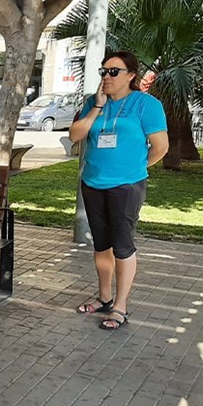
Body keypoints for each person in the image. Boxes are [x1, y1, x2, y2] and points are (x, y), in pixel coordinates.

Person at [69, 50, 168, 330]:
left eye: (114, 72)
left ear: (131, 75)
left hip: (126, 185)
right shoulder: (93, 102)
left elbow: (161, 147)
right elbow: (75, 135)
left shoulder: (146, 105)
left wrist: (135, 167)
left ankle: (120, 307)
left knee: (122, 245)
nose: (107, 77)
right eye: (104, 71)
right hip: (93, 182)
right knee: (101, 244)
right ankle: (104, 298)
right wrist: (97, 107)